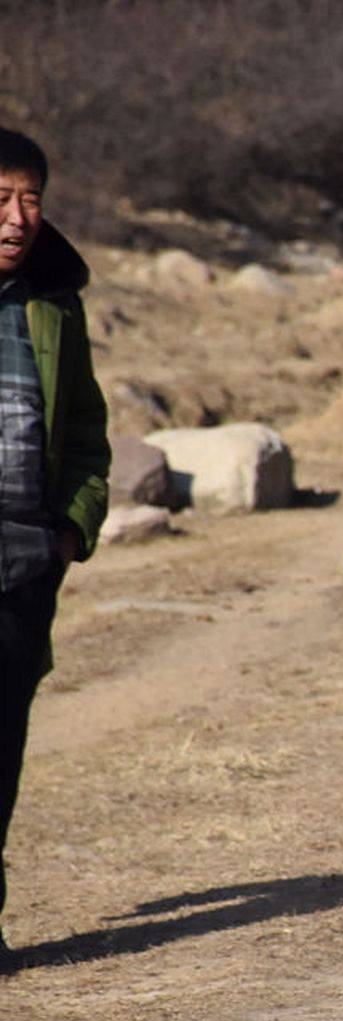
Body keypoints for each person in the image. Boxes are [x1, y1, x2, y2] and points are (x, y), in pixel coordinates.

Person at [0, 127, 111, 969]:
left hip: (23, 563)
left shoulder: (54, 302)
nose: (17, 218)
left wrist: (70, 527)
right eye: (1, 199)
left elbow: (84, 430)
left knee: (2, 741)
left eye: (31, 199)